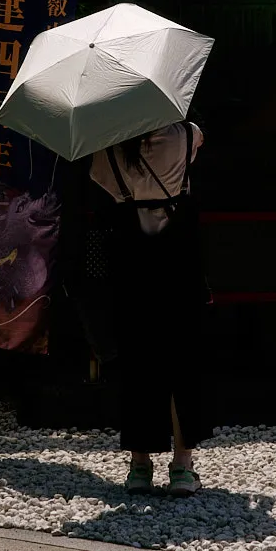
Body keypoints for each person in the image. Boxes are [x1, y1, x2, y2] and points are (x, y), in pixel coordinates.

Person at [89, 119, 210, 497]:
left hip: (132, 260)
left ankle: (139, 466)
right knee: (183, 361)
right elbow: (199, 140)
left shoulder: (108, 144)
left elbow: (103, 188)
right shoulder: (183, 134)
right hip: (178, 260)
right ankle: (183, 467)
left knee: (136, 362)